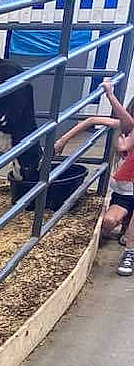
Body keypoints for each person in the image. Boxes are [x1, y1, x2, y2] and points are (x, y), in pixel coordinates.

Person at [54, 78, 134, 277]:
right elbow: (92, 120)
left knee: (128, 236)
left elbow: (123, 145)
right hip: (124, 193)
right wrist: (63, 139)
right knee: (107, 223)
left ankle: (129, 252)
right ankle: (124, 230)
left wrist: (110, 94)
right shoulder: (126, 125)